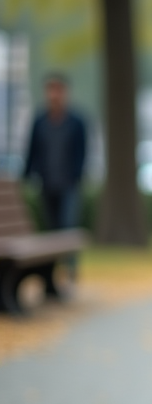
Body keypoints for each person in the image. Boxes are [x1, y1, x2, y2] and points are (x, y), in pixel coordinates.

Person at [23, 73, 88, 277]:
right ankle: (51, 273)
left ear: (65, 92)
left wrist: (78, 175)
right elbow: (31, 149)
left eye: (57, 89)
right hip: (46, 182)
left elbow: (83, 151)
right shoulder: (40, 120)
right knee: (51, 229)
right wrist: (27, 174)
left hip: (69, 183)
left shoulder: (76, 121)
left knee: (67, 225)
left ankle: (70, 269)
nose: (54, 94)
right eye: (50, 89)